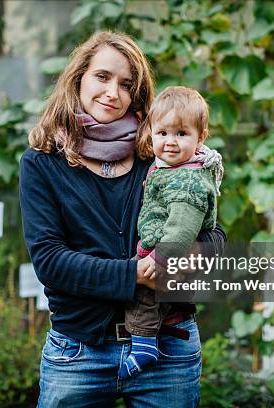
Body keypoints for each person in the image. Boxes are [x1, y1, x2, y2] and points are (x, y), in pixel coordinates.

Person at [19, 31, 226, 407]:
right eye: (102, 77)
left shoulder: (162, 149)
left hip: (168, 349)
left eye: (126, 84)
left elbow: (215, 238)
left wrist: (175, 258)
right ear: (79, 77)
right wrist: (134, 273)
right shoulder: (43, 162)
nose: (113, 92)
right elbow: (49, 261)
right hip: (79, 353)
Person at [119, 86, 223, 380]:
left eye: (181, 134)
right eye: (162, 134)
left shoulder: (187, 178)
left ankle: (143, 347)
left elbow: (183, 226)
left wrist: (162, 257)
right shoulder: (166, 167)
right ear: (150, 132)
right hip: (159, 251)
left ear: (200, 138)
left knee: (145, 299)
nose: (171, 142)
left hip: (164, 255)